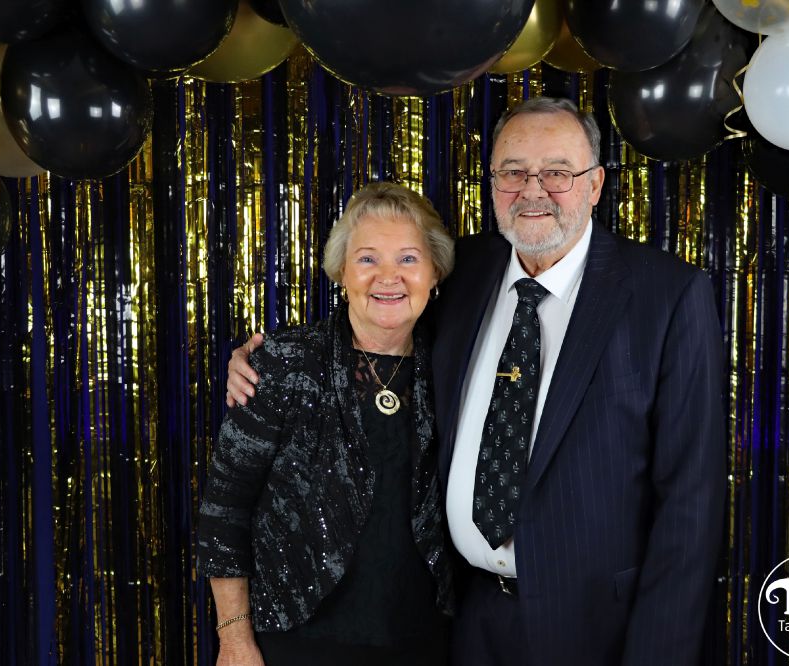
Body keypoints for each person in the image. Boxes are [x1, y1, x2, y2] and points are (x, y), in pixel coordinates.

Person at [226, 97, 725, 665]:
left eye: (557, 172)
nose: (533, 190)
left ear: (595, 184)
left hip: (595, 628)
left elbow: (689, 507)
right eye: (513, 171)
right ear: (492, 183)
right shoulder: (463, 271)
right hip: (463, 622)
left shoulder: (667, 296)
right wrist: (266, 361)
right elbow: (379, 325)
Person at [198, 182, 456, 666]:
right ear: (341, 272)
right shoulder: (282, 363)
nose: (388, 277)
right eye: (367, 259)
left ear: (435, 272)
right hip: (297, 642)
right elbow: (224, 509)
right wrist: (233, 638)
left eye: (407, 258)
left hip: (422, 640)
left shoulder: (453, 363)